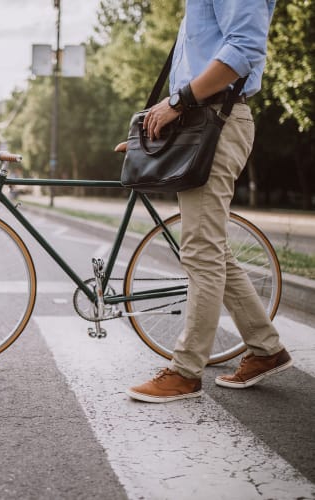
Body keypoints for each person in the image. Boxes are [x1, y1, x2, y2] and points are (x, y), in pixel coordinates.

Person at [126, 0, 293, 403]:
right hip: (199, 123)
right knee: (211, 247)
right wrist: (151, 133)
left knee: (200, 250)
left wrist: (176, 103)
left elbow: (244, 49)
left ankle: (185, 372)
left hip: (217, 122)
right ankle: (265, 348)